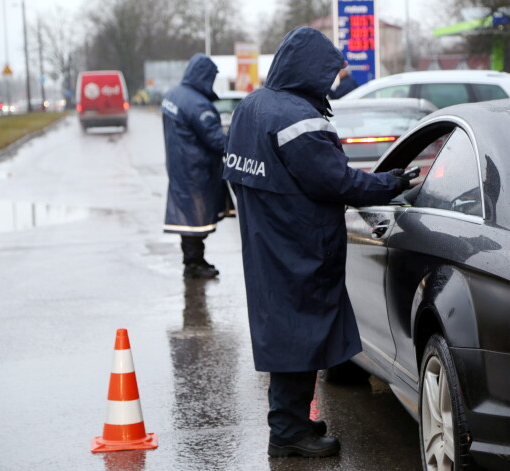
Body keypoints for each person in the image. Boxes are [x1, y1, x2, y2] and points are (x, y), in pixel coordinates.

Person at [223, 27, 411, 458]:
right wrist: (389, 183)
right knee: (299, 335)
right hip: (301, 244)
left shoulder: (251, 107)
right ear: (309, 70)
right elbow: (336, 180)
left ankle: (290, 423)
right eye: (329, 74)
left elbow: (236, 174)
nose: (332, 83)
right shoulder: (298, 120)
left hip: (266, 239)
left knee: (285, 331)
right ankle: (288, 435)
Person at [161, 53, 232, 279]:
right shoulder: (199, 105)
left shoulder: (173, 95)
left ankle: (193, 260)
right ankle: (194, 264)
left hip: (180, 166)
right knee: (195, 218)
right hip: (197, 170)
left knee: (189, 217)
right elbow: (216, 141)